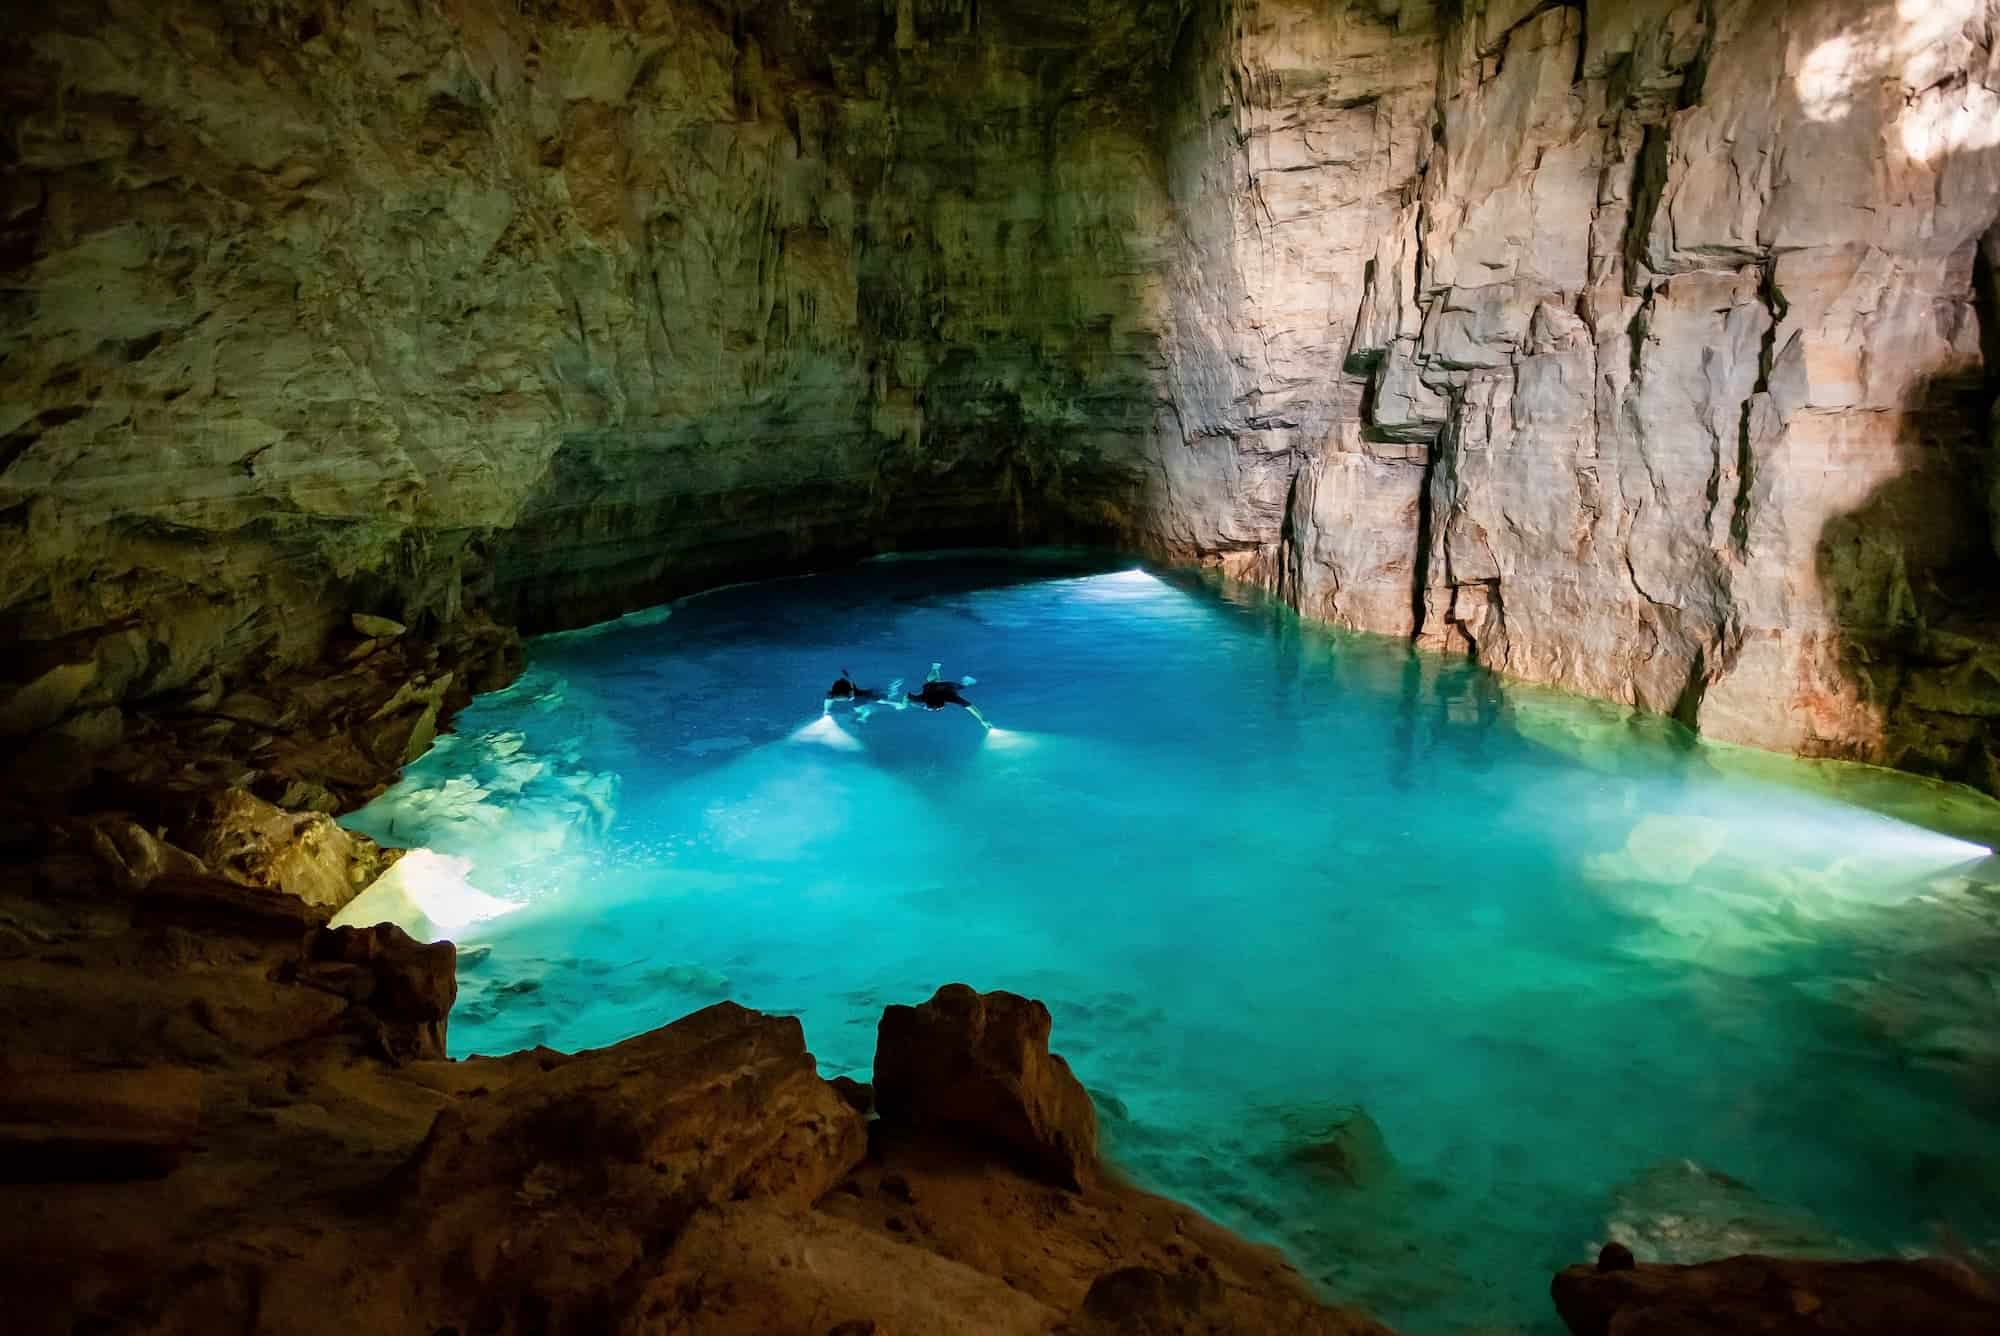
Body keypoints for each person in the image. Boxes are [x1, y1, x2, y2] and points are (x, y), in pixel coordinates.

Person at [906, 662, 990, 729]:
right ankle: (935, 668)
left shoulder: (951, 698)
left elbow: (971, 708)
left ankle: (966, 682)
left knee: (962, 686)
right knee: (932, 680)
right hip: (937, 685)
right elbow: (907, 696)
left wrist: (982, 719)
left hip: (950, 686)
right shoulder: (921, 698)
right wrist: (903, 704)